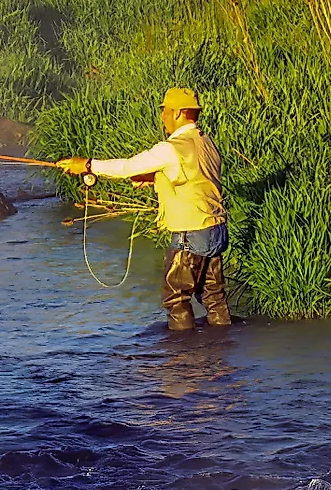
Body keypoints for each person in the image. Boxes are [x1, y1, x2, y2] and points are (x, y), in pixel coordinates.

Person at [58, 87, 230, 331]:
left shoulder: (171, 147)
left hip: (189, 233)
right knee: (214, 298)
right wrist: (155, 177)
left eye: (165, 111)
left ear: (179, 113)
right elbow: (197, 177)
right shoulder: (205, 141)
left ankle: (183, 359)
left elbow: (127, 166)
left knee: (176, 299)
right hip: (216, 229)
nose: (162, 117)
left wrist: (87, 165)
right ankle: (223, 351)